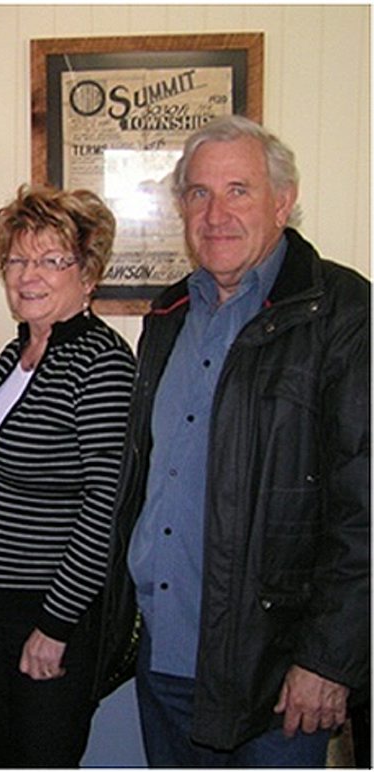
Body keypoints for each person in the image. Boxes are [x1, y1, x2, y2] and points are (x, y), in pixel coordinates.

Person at [95, 115, 370, 766]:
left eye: (239, 190)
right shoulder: (168, 313)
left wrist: (328, 659)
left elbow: (365, 508)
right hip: (163, 656)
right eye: (198, 194)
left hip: (276, 678)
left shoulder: (343, 314)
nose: (216, 213)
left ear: (284, 199)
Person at [0, 185, 136, 767]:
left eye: (50, 260)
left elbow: (104, 506)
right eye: (17, 259)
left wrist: (56, 624)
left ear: (88, 275)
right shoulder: (17, 355)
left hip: (55, 613)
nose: (28, 275)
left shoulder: (101, 363)